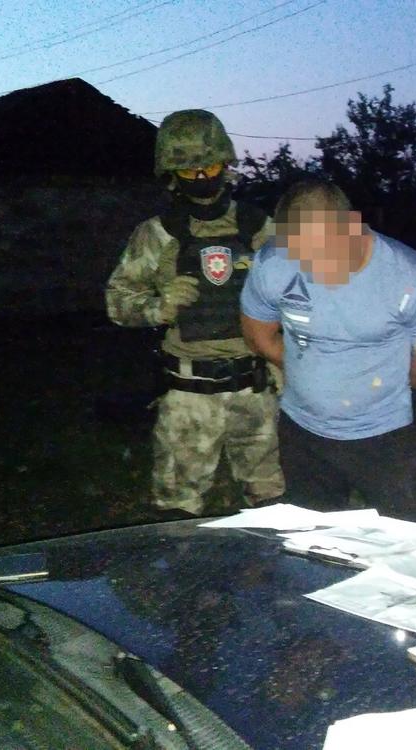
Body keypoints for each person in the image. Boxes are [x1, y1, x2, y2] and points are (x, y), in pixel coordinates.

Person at [241, 180, 416, 521]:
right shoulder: (272, 261)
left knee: (405, 538)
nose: (306, 264)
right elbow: (258, 336)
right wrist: (310, 373)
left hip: (384, 437)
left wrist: (381, 385)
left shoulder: (412, 276)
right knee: (309, 537)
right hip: (302, 432)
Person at [106, 109, 284, 516]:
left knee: (273, 507)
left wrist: (284, 358)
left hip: (255, 390)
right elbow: (116, 302)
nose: (202, 178)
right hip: (188, 395)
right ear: (172, 175)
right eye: (190, 171)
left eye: (210, 167)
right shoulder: (156, 234)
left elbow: (298, 295)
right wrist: (158, 307)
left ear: (226, 165)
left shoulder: (259, 226)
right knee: (176, 513)